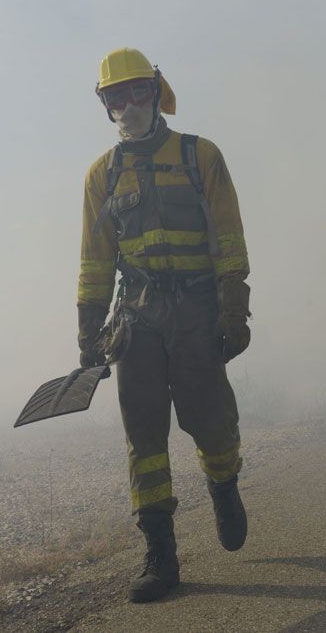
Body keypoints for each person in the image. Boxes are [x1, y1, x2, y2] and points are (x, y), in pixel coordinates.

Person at [76, 48, 252, 603]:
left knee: (210, 421)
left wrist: (234, 306)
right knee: (144, 435)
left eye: (137, 92)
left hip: (199, 311)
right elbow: (95, 260)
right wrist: (88, 330)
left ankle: (223, 484)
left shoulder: (202, 157)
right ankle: (161, 555)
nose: (127, 105)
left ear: (157, 92)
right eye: (115, 96)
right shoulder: (101, 176)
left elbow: (228, 237)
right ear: (104, 104)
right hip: (138, 318)